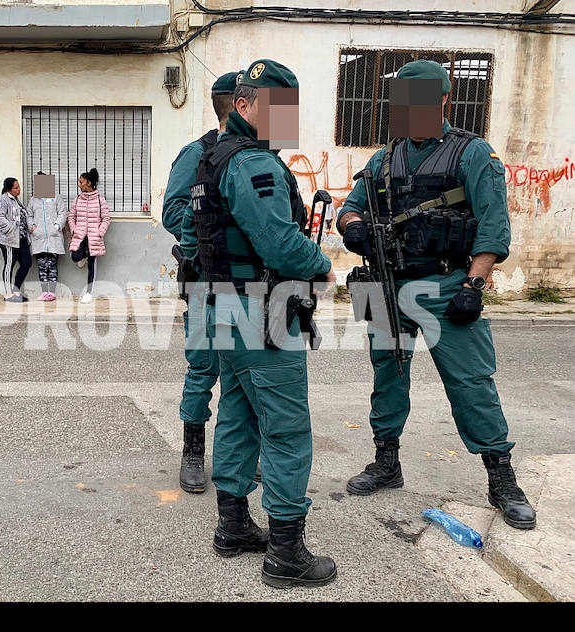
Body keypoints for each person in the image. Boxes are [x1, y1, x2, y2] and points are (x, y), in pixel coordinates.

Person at [337, 60, 536, 530]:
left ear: (443, 100)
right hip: (388, 286)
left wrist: (475, 283)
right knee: (388, 377)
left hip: (447, 285)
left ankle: (501, 478)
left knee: (470, 384)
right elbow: (349, 207)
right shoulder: (383, 159)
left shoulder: (472, 154)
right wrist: (355, 228)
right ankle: (387, 462)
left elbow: (493, 227)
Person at [185, 59, 337, 587]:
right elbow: (280, 243)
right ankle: (286, 552)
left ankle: (232, 527)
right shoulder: (254, 164)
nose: (283, 120)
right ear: (245, 105)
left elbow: (192, 232)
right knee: (286, 428)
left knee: (237, 413)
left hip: (224, 307)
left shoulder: (210, 159)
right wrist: (322, 267)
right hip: (261, 310)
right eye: (277, 109)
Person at [162, 70, 241, 493]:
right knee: (204, 369)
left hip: (252, 286)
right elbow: (173, 212)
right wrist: (207, 241)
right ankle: (193, 451)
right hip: (207, 282)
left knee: (244, 372)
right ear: (238, 103)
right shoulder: (196, 153)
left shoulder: (258, 155)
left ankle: (239, 453)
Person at [68, 168, 109, 304]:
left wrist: (100, 232)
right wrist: (74, 229)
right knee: (75, 257)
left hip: (94, 237)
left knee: (92, 264)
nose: (79, 185)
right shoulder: (77, 199)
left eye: (81, 182)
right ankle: (83, 255)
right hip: (80, 236)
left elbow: (106, 219)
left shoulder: (100, 199)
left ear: (89, 183)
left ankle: (89, 293)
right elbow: (71, 216)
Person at [26, 172, 68, 301]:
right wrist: (33, 227)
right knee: (42, 265)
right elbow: (29, 215)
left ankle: (52, 293)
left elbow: (62, 213)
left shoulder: (56, 198)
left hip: (53, 237)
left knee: (52, 265)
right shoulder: (33, 200)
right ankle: (44, 293)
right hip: (39, 237)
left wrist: (56, 226)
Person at [0, 177, 32, 302]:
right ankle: (8, 294)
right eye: (16, 188)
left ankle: (16, 291)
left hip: (21, 238)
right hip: (8, 239)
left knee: (27, 263)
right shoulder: (3, 200)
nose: (19, 190)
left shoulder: (16, 201)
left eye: (19, 187)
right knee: (9, 265)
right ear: (9, 189)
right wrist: (10, 229)